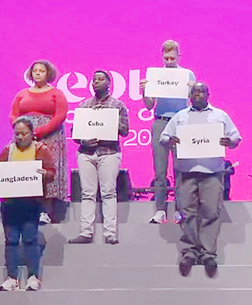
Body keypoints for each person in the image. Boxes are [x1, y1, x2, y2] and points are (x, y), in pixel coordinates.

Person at [161, 83, 241, 277]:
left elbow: (236, 137)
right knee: (186, 213)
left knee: (211, 212)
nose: (197, 95)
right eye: (194, 92)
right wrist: (170, 140)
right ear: (190, 95)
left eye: (201, 92)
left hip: (212, 171)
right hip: (186, 171)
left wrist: (228, 142)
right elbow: (164, 136)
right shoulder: (180, 116)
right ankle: (189, 251)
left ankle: (207, 253)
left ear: (208, 94)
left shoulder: (220, 115)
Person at [0, 117, 55, 292]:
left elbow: (52, 173)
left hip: (32, 203)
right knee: (11, 240)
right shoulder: (7, 151)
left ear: (32, 134)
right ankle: (12, 278)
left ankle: (33, 277)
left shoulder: (41, 150)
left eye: (24, 133)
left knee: (30, 239)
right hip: (10, 204)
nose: (20, 137)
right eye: (17, 134)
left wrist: (44, 173)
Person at [68, 70, 130, 245]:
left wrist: (107, 119)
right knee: (87, 193)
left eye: (100, 79)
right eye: (94, 79)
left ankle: (110, 233)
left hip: (108, 152)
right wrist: (83, 140)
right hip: (86, 153)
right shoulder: (83, 105)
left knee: (108, 192)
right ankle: (86, 232)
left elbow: (125, 130)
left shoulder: (117, 105)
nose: (96, 82)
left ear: (109, 83)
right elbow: (74, 133)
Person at [140, 40, 196, 224]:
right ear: (162, 55)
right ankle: (160, 210)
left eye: (173, 57)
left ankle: (180, 210)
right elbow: (149, 106)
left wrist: (192, 90)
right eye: (166, 56)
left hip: (181, 123)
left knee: (180, 169)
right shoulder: (155, 75)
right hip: (160, 122)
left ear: (179, 55)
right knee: (160, 171)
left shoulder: (187, 74)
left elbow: (194, 102)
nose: (170, 59)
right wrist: (144, 92)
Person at [10, 60, 68, 225]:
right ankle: (25, 211)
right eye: (35, 70)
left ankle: (45, 212)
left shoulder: (57, 93)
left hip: (51, 137)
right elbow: (13, 114)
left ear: (48, 73)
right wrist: (22, 132)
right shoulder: (22, 93)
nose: (37, 73)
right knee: (25, 170)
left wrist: (39, 131)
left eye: (41, 71)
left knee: (46, 171)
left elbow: (60, 115)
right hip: (24, 139)